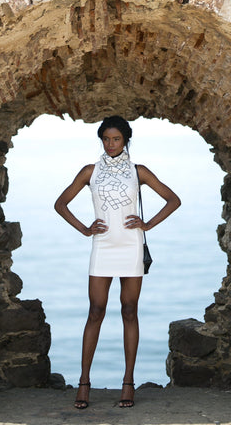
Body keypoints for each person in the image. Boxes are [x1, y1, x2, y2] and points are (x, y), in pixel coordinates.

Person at [54, 115, 181, 409]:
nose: (111, 144)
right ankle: (84, 383)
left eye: (116, 139)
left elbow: (173, 199)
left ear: (125, 140)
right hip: (103, 245)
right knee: (96, 310)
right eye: (106, 139)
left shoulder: (139, 172)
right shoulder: (90, 171)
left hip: (130, 245)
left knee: (129, 310)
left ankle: (128, 383)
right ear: (101, 140)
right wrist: (85, 229)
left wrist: (147, 225)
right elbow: (61, 203)